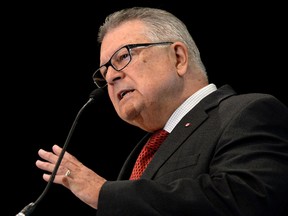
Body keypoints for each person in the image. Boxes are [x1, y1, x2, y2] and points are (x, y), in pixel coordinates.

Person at [35, 6, 288, 216]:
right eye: (103, 73)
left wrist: (104, 193)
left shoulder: (247, 112)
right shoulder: (142, 152)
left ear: (178, 57)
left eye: (123, 57)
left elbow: (246, 200)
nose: (110, 76)